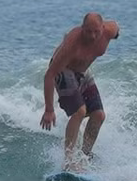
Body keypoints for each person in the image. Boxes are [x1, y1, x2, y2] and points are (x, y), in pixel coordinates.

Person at [40, 12, 120, 170]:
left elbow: (116, 28)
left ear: (103, 28)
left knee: (99, 115)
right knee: (80, 111)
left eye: (96, 31)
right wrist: (49, 109)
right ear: (82, 28)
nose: (92, 35)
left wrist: (117, 34)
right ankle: (69, 160)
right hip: (63, 71)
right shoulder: (72, 44)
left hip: (83, 71)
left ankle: (84, 156)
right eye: (88, 31)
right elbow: (49, 75)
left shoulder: (109, 31)